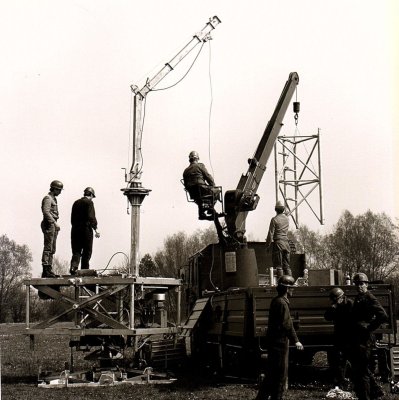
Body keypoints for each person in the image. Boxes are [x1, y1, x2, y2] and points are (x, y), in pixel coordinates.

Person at [256, 275, 304, 400]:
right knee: (280, 376)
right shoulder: (282, 303)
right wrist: (296, 341)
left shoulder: (276, 300)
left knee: (271, 374)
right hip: (280, 345)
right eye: (292, 288)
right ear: (287, 289)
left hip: (274, 344)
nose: (293, 290)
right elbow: (287, 325)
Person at [347, 272, 388, 400]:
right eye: (357, 284)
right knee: (359, 368)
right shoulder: (359, 298)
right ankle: (374, 392)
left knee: (362, 370)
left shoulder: (370, 298)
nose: (359, 286)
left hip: (365, 339)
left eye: (362, 284)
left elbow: (383, 316)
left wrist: (369, 327)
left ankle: (367, 396)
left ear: (366, 285)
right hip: (357, 338)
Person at [324, 287, 353, 389]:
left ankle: (363, 383)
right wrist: (333, 307)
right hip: (339, 337)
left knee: (355, 361)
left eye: (334, 299)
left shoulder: (350, 304)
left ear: (341, 297)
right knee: (339, 362)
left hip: (350, 337)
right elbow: (327, 317)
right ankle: (341, 383)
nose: (333, 302)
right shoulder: (336, 306)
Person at [69, 187, 100, 275]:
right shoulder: (89, 202)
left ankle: (73, 268)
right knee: (87, 251)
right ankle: (84, 270)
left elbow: (72, 219)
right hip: (86, 230)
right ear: (91, 195)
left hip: (75, 229)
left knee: (76, 251)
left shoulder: (76, 203)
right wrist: (96, 229)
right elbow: (91, 217)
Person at [183, 150, 218, 220]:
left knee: (200, 198)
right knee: (217, 191)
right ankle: (210, 208)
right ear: (197, 159)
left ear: (190, 160)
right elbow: (208, 177)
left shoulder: (185, 171)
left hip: (193, 194)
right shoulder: (200, 166)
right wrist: (213, 185)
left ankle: (202, 212)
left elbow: (186, 185)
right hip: (202, 190)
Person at [41, 180, 63, 278]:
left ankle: (49, 269)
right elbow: (46, 212)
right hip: (49, 224)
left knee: (52, 248)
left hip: (53, 224)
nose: (60, 192)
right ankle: (45, 269)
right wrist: (54, 223)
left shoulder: (53, 198)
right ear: (54, 189)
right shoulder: (48, 198)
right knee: (48, 247)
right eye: (59, 190)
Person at [265, 200, 292, 278]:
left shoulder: (274, 219)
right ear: (283, 209)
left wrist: (267, 245)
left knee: (278, 266)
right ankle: (290, 283)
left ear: (275, 209)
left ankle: (280, 284)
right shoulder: (287, 219)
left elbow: (270, 234)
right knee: (287, 266)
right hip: (286, 244)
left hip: (278, 244)